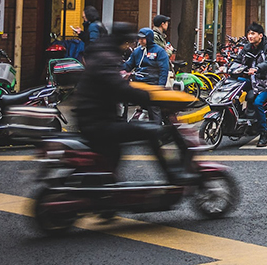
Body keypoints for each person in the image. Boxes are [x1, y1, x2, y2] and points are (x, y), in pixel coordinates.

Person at [75, 22, 191, 184]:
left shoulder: (107, 53)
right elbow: (120, 85)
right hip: (98, 121)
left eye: (142, 39)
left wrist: (158, 90)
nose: (136, 43)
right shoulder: (109, 57)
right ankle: (172, 175)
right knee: (151, 131)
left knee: (151, 122)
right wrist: (147, 96)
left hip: (101, 115)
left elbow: (162, 71)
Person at [232, 22, 267, 147]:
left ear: (260, 35)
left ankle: (263, 134)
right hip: (250, 80)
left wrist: (257, 68)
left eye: (253, 33)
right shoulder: (247, 47)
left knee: (258, 103)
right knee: (232, 87)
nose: (250, 36)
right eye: (248, 34)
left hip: (265, 81)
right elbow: (237, 60)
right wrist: (227, 68)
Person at [122, 27, 170, 122]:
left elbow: (164, 70)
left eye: (143, 38)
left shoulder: (159, 51)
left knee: (153, 107)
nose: (140, 41)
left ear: (149, 38)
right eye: (139, 38)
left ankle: (157, 129)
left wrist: (160, 87)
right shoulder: (137, 51)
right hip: (138, 83)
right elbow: (128, 65)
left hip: (152, 84)